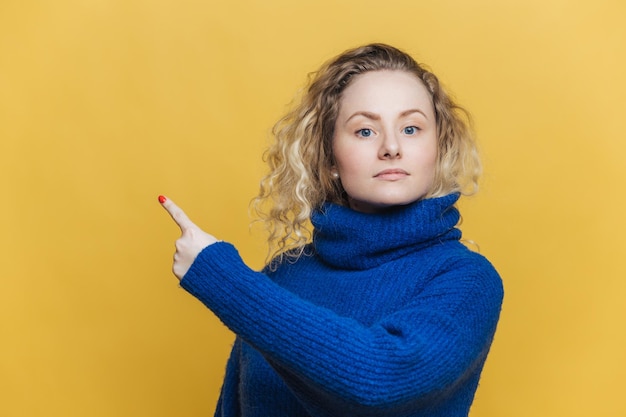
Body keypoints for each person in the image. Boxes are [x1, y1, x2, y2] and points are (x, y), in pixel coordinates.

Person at [159, 43, 504, 417]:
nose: (391, 147)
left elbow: (382, 379)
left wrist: (223, 279)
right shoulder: (283, 275)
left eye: (410, 128)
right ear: (330, 158)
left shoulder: (467, 280)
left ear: (438, 147)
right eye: (365, 131)